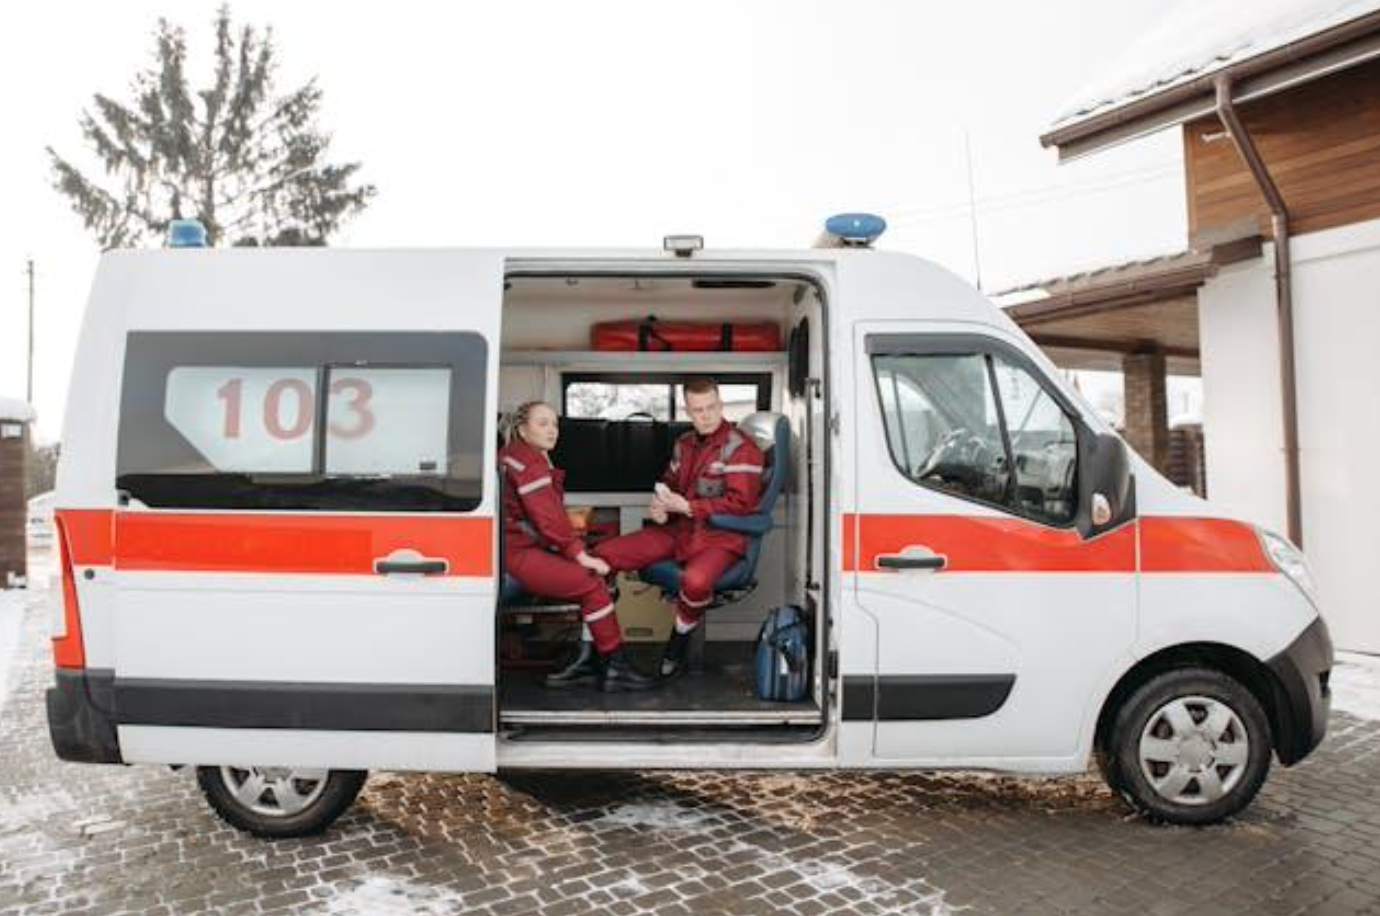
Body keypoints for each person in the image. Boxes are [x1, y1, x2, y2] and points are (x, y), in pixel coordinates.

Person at [594, 379, 765, 677]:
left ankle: (678, 643)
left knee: (696, 582)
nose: (706, 416)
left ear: (721, 405)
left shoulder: (741, 449)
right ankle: (605, 653)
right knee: (601, 556)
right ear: (688, 411)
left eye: (711, 408)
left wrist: (687, 507)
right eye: (698, 410)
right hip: (679, 532)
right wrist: (659, 505)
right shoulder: (683, 444)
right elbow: (668, 484)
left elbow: (741, 504)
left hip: (720, 538)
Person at [500, 401, 656, 691]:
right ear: (522, 429)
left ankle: (587, 660)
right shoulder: (529, 463)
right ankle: (615, 666)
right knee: (592, 583)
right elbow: (550, 520)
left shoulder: (518, 456)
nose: (552, 430)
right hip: (517, 556)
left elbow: (543, 517)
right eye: (542, 424)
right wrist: (580, 555)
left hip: (517, 550)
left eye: (554, 424)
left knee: (597, 575)